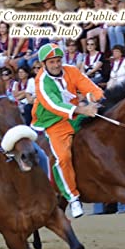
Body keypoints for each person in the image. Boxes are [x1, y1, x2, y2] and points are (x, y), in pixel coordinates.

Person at [32, 43, 104, 218]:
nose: (56, 65)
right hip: (53, 121)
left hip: (74, 116)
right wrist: (83, 110)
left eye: (58, 61)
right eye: (52, 62)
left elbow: (87, 86)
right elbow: (55, 105)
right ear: (43, 64)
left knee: (104, 131)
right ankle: (73, 198)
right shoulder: (41, 81)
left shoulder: (71, 70)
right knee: (63, 157)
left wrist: (99, 98)